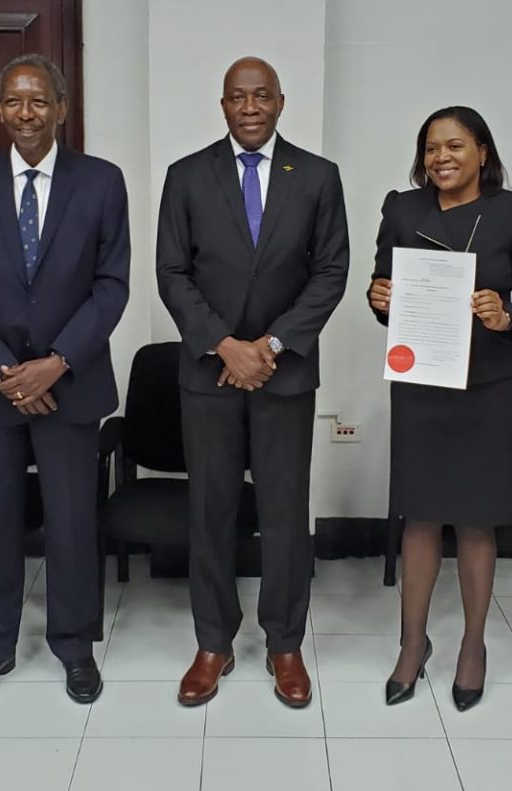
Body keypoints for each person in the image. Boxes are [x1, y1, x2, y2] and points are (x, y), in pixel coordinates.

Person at [0, 53, 129, 706]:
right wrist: (6, 373)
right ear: (0, 110)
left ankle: (75, 647)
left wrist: (58, 360)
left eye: (39, 101)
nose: (27, 112)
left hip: (70, 382)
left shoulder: (101, 182)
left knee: (73, 521)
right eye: (15, 101)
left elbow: (112, 284)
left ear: (63, 108)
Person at [157, 56, 349, 709]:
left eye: (261, 95)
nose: (249, 107)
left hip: (284, 373)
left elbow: (331, 272)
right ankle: (213, 641)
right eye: (237, 97)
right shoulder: (186, 177)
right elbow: (172, 273)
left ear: (280, 102)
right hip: (209, 375)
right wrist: (224, 345)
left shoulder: (318, 177)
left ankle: (284, 642)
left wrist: (266, 346)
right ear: (223, 105)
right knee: (210, 511)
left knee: (284, 514)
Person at [366, 106, 512, 711]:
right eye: (430, 148)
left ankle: (473, 645)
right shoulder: (403, 208)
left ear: (482, 152)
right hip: (421, 383)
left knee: (476, 520)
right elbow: (380, 286)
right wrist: (379, 297)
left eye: (454, 146)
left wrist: (507, 316)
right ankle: (411, 644)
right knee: (419, 517)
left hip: (490, 385)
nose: (440, 158)